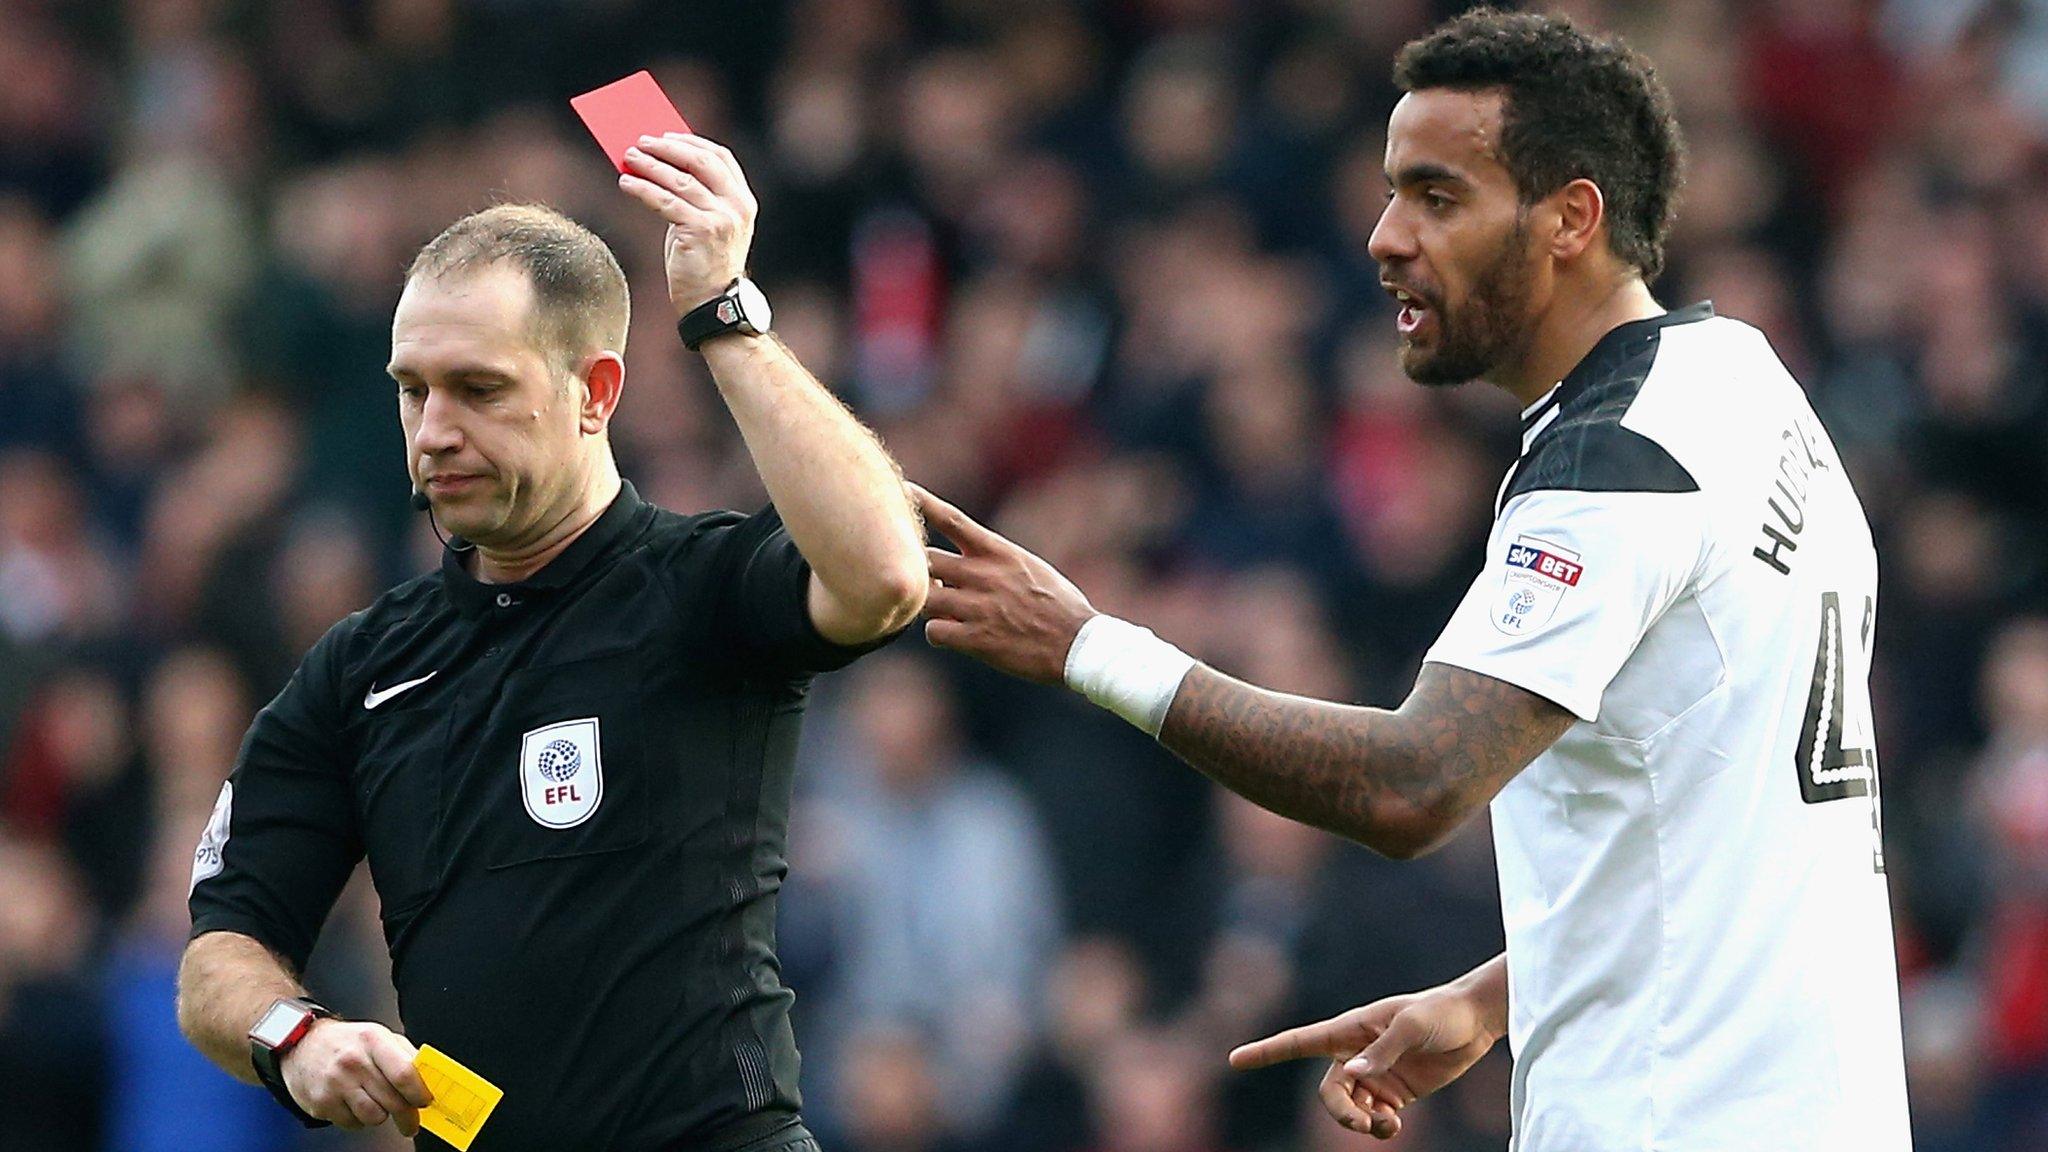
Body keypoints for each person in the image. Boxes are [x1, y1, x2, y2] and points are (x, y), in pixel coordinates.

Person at [914, 9, 1909, 1151]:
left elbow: (1410, 784)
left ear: (1568, 219)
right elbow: (1717, 812)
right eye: (1391, 192)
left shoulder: (1613, 468)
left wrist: (1086, 647)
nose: (1385, 236)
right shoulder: (1739, 377)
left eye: (1438, 198)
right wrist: (1499, 995)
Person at [177, 132, 927, 1151]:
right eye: (413, 389)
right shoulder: (360, 670)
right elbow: (222, 947)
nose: (434, 429)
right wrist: (292, 1036)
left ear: (596, 392)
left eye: (478, 389)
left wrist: (726, 318)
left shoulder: (699, 589)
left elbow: (884, 577)